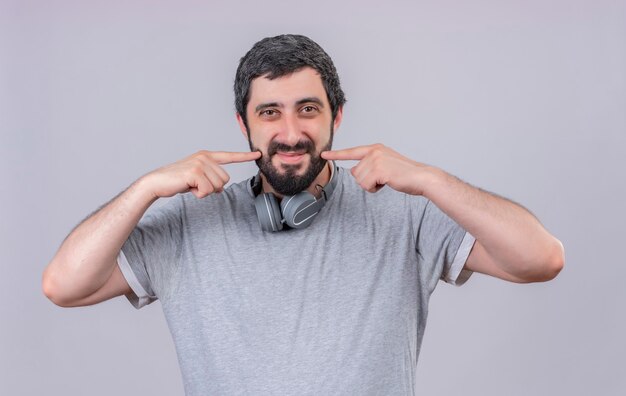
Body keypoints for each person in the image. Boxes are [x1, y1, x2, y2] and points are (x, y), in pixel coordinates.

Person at [43, 34, 564, 395]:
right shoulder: (189, 219)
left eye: (308, 109)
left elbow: (541, 259)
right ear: (243, 125)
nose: (290, 133)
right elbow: (63, 286)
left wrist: (430, 178)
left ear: (336, 115)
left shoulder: (405, 211)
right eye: (270, 112)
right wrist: (146, 188)